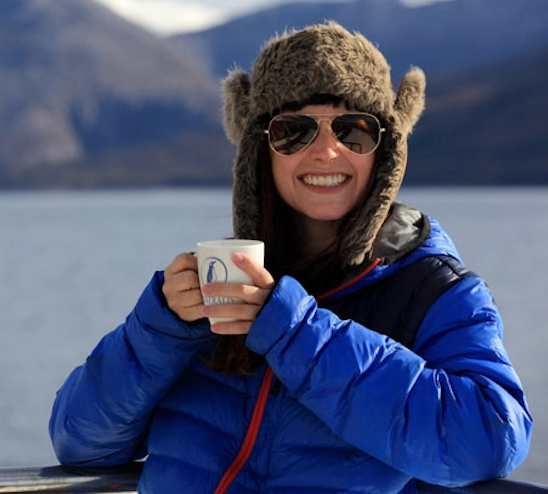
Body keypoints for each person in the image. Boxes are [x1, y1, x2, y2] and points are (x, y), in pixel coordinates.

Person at [48, 21, 532, 493]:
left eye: (354, 130)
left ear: (384, 153)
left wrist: (294, 331)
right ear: (262, 151)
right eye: (293, 131)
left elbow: (489, 439)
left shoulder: (433, 289)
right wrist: (160, 326)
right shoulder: (212, 291)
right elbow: (80, 444)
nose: (325, 151)